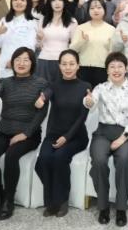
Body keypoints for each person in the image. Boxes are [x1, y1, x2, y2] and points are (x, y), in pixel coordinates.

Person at [0, 47, 48, 220]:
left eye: (26, 59)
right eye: (17, 59)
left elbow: (42, 113)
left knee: (11, 156)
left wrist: (25, 133)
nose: (21, 63)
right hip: (3, 130)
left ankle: (9, 200)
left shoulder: (41, 83)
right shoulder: (5, 82)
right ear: (12, 63)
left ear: (32, 63)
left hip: (29, 133)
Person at [85, 52, 128, 227]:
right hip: (103, 132)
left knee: (123, 161)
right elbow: (91, 104)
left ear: (126, 69)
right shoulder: (100, 88)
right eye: (112, 67)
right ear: (107, 70)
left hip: (126, 134)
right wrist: (88, 101)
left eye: (120, 66)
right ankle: (103, 206)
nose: (116, 70)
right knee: (99, 161)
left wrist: (122, 138)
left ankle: (121, 208)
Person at [34, 49, 90, 217]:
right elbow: (47, 93)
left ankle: (61, 201)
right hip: (53, 134)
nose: (68, 67)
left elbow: (82, 117)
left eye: (72, 64)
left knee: (59, 158)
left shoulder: (85, 87)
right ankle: (52, 199)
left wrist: (66, 137)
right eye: (64, 64)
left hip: (76, 136)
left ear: (78, 65)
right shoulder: (53, 85)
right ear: (59, 66)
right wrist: (42, 98)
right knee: (43, 160)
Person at [0, 0, 39, 79]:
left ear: (27, 3)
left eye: (22, 0)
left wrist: (14, 61)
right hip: (5, 66)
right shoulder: (4, 20)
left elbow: (30, 46)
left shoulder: (32, 22)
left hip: (22, 65)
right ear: (11, 2)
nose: (18, 2)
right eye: (15, 0)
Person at [69, 0, 115, 88]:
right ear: (88, 11)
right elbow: (72, 49)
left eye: (99, 7)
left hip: (103, 69)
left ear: (104, 10)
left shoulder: (111, 29)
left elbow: (112, 53)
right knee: (84, 95)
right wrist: (82, 41)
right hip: (83, 68)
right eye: (92, 8)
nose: (96, 10)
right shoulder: (81, 28)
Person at [36, 0, 77, 83]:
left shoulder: (72, 21)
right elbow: (38, 45)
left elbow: (74, 46)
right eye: (53, 0)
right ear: (49, 3)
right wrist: (39, 39)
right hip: (44, 60)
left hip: (63, 62)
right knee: (42, 90)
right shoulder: (43, 20)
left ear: (64, 2)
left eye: (60, 0)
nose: (57, 3)